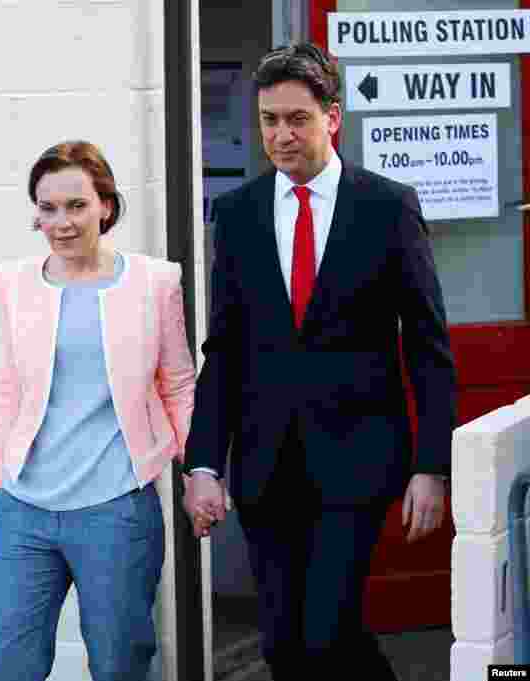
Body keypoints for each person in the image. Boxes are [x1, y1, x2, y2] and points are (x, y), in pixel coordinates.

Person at [181, 43, 456, 680]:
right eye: (269, 120)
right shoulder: (239, 213)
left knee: (326, 633)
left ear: (332, 117)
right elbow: (223, 350)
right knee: (284, 644)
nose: (281, 135)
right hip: (266, 465)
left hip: (357, 461)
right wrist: (202, 462)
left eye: (297, 119)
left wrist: (431, 466)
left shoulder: (387, 206)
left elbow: (428, 349)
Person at [0, 140, 196, 681]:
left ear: (105, 204)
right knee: (8, 663)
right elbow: (10, 385)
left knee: (119, 663)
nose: (62, 222)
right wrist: (4, 470)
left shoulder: (155, 282)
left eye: (76, 205)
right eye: (48, 208)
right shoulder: (14, 283)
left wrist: (195, 473)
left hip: (116, 508)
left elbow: (177, 384)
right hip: (24, 508)